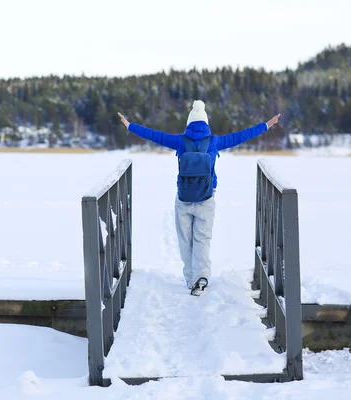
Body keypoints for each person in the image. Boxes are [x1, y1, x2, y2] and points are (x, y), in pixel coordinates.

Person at [117, 100, 280, 296]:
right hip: (206, 198)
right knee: (202, 239)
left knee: (186, 241)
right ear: (206, 123)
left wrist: (129, 125)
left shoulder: (179, 140)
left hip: (184, 198)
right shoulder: (214, 141)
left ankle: (190, 279)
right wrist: (266, 125)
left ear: (189, 123)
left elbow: (154, 135)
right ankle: (201, 279)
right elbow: (242, 136)